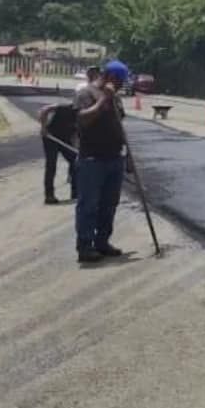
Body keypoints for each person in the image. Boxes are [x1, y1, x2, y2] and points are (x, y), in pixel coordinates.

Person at [73, 60, 129, 263]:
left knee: (109, 205)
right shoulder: (86, 94)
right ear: (109, 77)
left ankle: (102, 242)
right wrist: (103, 100)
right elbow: (82, 119)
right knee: (88, 205)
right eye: (120, 81)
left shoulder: (116, 98)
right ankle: (85, 247)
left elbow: (119, 125)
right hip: (92, 160)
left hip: (114, 158)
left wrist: (128, 156)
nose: (122, 86)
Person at [38, 101, 78, 205]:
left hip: (64, 138)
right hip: (50, 137)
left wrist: (74, 147)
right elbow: (44, 110)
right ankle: (49, 196)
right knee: (51, 165)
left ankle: (76, 193)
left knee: (76, 162)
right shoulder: (66, 107)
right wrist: (43, 127)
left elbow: (75, 134)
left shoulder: (85, 114)